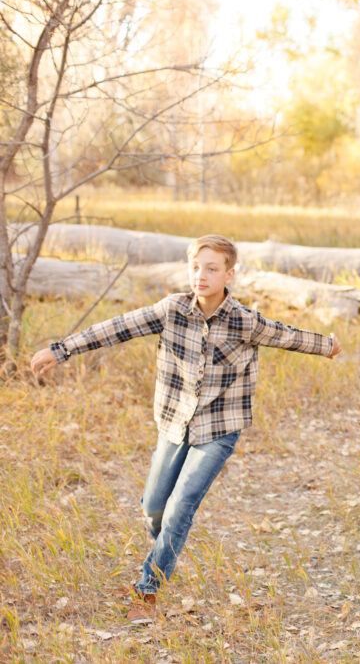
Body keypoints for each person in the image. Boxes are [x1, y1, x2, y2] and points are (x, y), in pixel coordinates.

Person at [29, 235, 341, 624]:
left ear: (229, 274)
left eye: (212, 268)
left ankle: (147, 590)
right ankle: (167, 547)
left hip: (219, 427)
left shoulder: (244, 320)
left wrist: (326, 344)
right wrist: (60, 350)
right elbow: (116, 327)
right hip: (175, 421)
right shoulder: (171, 309)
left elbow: (285, 334)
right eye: (196, 267)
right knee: (154, 509)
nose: (201, 275)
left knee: (180, 508)